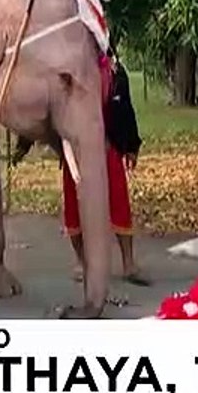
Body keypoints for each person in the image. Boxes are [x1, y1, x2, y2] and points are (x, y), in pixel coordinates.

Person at [63, 50, 148, 286]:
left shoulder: (115, 71)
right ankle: (82, 261)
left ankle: (128, 262)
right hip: (76, 148)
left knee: (119, 202)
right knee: (74, 204)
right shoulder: (64, 71)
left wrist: (130, 145)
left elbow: (125, 111)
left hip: (107, 146)